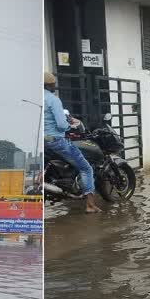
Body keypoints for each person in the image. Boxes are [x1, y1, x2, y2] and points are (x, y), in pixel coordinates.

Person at [44, 72, 100, 213]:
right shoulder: (53, 99)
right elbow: (62, 125)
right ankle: (90, 205)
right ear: (51, 85)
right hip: (55, 140)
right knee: (86, 168)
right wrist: (70, 125)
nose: (54, 86)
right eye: (53, 84)